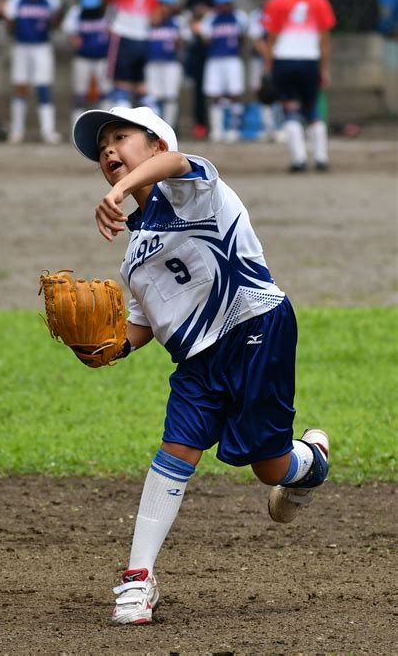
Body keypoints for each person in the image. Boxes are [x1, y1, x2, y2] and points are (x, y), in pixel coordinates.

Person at [72, 104, 330, 625]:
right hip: (197, 361)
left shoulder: (196, 188)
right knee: (176, 450)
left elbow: (176, 163)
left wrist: (121, 190)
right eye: (102, 148)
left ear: (156, 146)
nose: (108, 150)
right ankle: (138, 578)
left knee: (268, 466)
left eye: (121, 137)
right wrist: (109, 347)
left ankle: (311, 461)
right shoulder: (134, 252)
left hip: (256, 326)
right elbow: (146, 319)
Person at [262, 0, 336, 172]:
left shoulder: (278, 1)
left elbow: (271, 40)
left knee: (290, 109)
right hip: (310, 62)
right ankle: (321, 158)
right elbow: (325, 42)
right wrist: (324, 69)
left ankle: (299, 159)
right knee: (312, 109)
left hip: (284, 62)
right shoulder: (319, 0)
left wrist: (268, 69)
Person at [0, 0, 62, 144]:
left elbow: (55, 23)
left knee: (43, 87)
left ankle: (48, 131)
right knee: (20, 86)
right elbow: (10, 23)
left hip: (42, 46)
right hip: (21, 46)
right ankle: (17, 131)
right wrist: (3, 14)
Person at [103, 0, 158, 109]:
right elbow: (155, 17)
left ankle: (122, 117)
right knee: (140, 82)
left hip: (123, 36)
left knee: (121, 82)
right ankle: (153, 115)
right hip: (143, 39)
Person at [199, 0, 249, 143]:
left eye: (228, 2)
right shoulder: (210, 18)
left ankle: (234, 129)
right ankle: (217, 129)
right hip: (215, 60)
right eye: (222, 3)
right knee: (215, 95)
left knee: (235, 94)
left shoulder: (240, 17)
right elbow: (206, 40)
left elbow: (243, 37)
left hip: (233, 59)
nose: (225, 6)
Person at [62, 0, 112, 124]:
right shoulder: (76, 12)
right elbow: (70, 31)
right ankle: (76, 126)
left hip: (103, 58)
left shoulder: (108, 12)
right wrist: (74, 39)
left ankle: (105, 124)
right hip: (82, 58)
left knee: (105, 93)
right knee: (80, 94)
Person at [247, 0, 284, 141]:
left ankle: (281, 127)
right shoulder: (257, 15)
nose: (265, 0)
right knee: (262, 92)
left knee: (282, 92)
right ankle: (268, 127)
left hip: (281, 58)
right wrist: (268, 55)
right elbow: (257, 40)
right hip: (260, 59)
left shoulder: (285, 14)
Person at [146, 0, 187, 130]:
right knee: (152, 96)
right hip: (151, 63)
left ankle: (168, 128)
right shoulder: (147, 21)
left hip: (171, 63)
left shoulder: (177, 21)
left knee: (170, 96)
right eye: (159, 4)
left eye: (166, 4)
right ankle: (153, 128)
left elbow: (183, 41)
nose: (162, 8)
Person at [182, 0, 217, 139]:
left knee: (212, 91)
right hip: (195, 53)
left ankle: (215, 126)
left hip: (211, 53)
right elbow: (188, 18)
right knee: (198, 91)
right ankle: (200, 124)